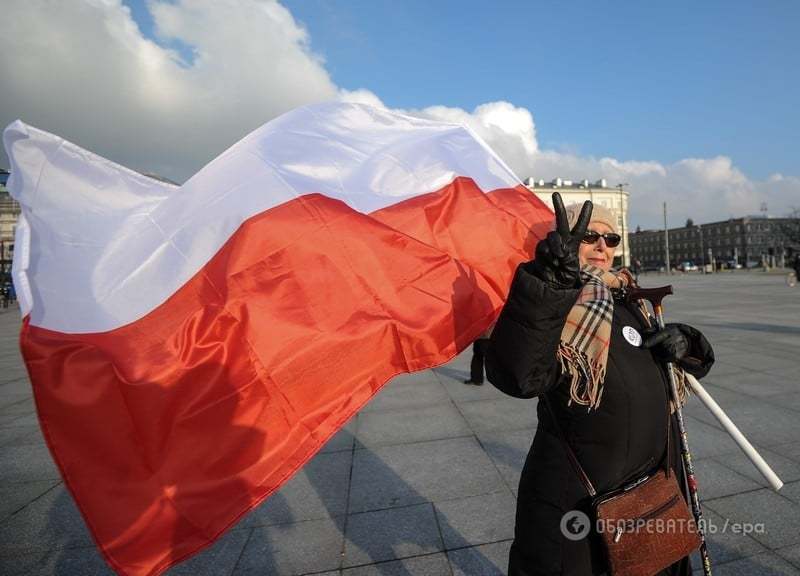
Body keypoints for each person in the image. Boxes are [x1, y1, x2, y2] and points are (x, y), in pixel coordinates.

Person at [486, 194, 715, 576]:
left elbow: (678, 371)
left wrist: (687, 342)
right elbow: (520, 374)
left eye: (611, 239)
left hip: (651, 496)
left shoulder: (631, 297)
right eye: (588, 236)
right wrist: (547, 284)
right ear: (564, 243)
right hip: (581, 498)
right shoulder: (555, 299)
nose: (601, 246)